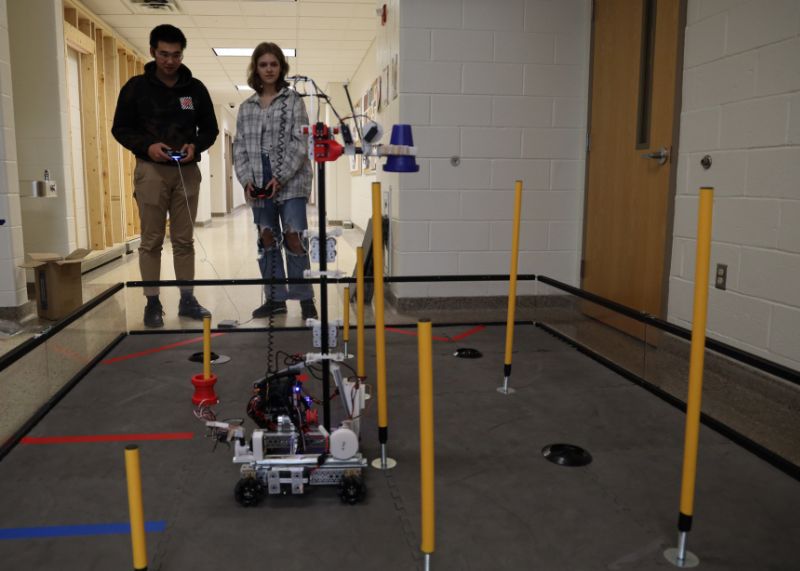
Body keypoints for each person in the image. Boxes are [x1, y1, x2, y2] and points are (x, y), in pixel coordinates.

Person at [112, 24, 219, 328]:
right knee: (151, 240)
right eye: (164, 54)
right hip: (152, 171)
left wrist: (194, 146)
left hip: (186, 171)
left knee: (184, 240)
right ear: (152, 52)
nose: (170, 61)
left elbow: (209, 129)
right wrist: (147, 146)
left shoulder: (195, 90)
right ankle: (153, 301)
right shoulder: (136, 88)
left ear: (182, 54)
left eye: (175, 55)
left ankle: (187, 299)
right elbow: (120, 128)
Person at [233, 42, 318, 320]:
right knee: (266, 238)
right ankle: (276, 298)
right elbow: (240, 148)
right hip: (258, 180)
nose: (269, 69)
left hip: (292, 181)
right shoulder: (246, 108)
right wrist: (246, 179)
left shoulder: (293, 101)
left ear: (281, 67)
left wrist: (280, 177)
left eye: (273, 64)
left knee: (294, 237)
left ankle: (305, 299)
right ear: (255, 68)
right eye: (263, 64)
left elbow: (300, 141)